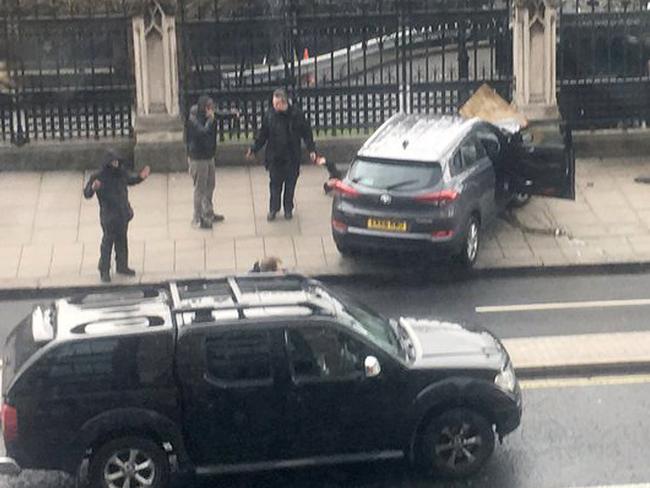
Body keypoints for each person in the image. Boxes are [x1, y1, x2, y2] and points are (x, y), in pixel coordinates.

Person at [246, 88, 316, 221]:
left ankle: (288, 208)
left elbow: (306, 132)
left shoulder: (296, 114)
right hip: (275, 156)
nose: (274, 106)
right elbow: (263, 135)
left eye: (276, 103)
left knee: (290, 184)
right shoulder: (270, 115)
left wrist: (311, 149)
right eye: (273, 103)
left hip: (291, 156)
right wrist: (254, 148)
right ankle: (274, 208)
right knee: (275, 185)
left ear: (283, 103)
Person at [83, 150, 150, 283]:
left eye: (117, 162)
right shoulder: (99, 177)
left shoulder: (121, 173)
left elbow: (131, 180)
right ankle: (104, 270)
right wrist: (93, 188)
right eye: (113, 162)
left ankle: (122, 266)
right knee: (107, 244)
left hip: (122, 213)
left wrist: (141, 177)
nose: (116, 164)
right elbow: (87, 193)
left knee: (122, 241)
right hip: (109, 216)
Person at [186, 94, 238, 229]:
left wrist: (231, 114)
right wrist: (210, 121)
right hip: (198, 158)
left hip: (208, 156)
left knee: (210, 184)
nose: (212, 111)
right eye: (209, 108)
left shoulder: (209, 114)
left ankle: (208, 212)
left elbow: (219, 115)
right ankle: (197, 218)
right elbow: (201, 133)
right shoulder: (193, 119)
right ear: (204, 108)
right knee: (200, 188)